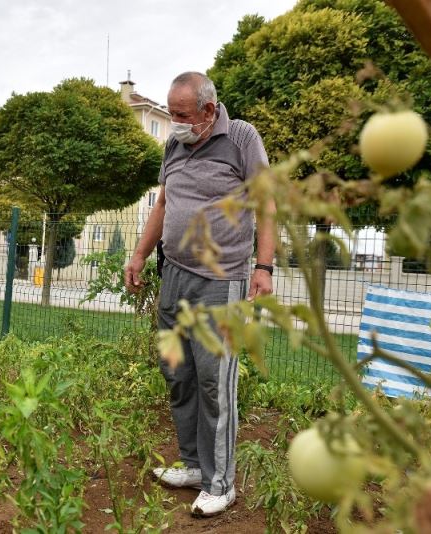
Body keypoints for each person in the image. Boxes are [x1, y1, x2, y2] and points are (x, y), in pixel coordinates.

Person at [124, 72, 275, 517]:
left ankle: (221, 482)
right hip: (174, 276)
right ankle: (193, 465)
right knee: (179, 374)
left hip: (220, 281)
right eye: (171, 114)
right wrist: (138, 254)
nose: (175, 124)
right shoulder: (174, 146)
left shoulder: (242, 138)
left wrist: (263, 267)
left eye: (182, 115)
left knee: (214, 381)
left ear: (208, 111)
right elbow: (164, 204)